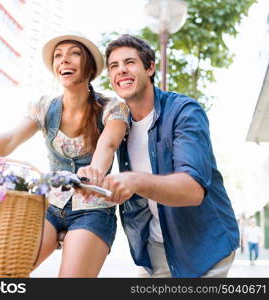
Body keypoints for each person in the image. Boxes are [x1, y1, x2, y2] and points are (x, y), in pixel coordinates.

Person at [0, 32, 129, 277]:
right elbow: (8, 139)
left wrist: (94, 172)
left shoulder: (113, 108)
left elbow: (107, 145)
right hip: (49, 207)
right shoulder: (45, 107)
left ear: (89, 66)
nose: (64, 60)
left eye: (74, 54)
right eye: (58, 56)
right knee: (3, 273)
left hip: (93, 210)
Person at [99, 34, 239, 278]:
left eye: (129, 62)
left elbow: (192, 189)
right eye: (114, 66)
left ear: (150, 67)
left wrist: (135, 181)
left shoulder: (184, 111)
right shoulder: (119, 124)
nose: (121, 70)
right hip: (156, 248)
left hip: (204, 247)